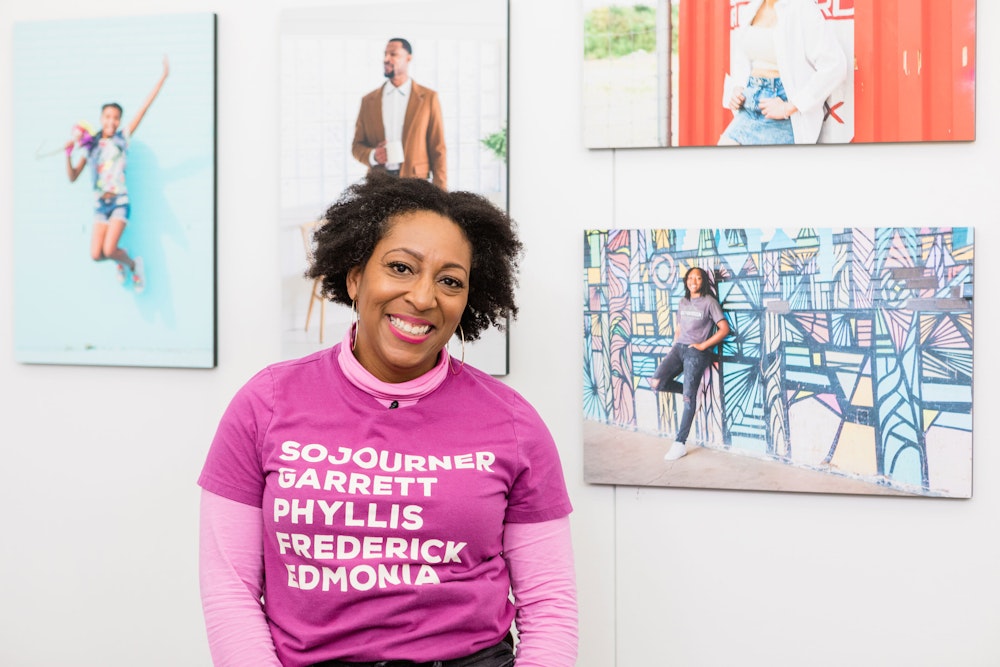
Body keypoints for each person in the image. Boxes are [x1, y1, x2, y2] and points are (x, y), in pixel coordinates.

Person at [198, 171, 576, 667]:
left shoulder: (512, 422)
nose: (423, 298)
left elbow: (550, 606)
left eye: (449, 281)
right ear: (355, 277)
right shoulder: (265, 403)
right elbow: (231, 591)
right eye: (401, 267)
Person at [65, 56, 169, 292]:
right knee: (96, 255)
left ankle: (132, 264)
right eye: (107, 116)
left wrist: (162, 77)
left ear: (119, 120)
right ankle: (121, 261)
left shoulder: (122, 139)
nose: (111, 121)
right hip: (100, 206)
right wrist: (68, 154)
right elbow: (72, 177)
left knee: (110, 249)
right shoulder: (90, 146)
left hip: (120, 202)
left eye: (115, 117)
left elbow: (143, 109)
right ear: (101, 118)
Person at [718, 0, 846, 145]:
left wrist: (790, 106)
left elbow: (834, 65)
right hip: (748, 106)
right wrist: (737, 87)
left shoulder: (801, 7)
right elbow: (743, 58)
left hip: (781, 114)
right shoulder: (751, 8)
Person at [648, 267, 731, 461]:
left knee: (687, 399)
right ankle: (693, 394)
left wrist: (703, 345)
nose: (694, 281)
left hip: (697, 352)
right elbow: (679, 328)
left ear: (703, 281)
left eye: (698, 278)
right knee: (656, 382)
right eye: (690, 278)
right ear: (686, 281)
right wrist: (673, 348)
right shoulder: (683, 302)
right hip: (679, 349)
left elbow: (724, 329)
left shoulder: (710, 303)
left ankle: (680, 443)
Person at [351, 38, 448, 190]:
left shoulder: (428, 98)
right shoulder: (368, 101)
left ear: (408, 58)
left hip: (416, 184)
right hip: (378, 184)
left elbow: (438, 148)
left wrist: (442, 192)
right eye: (385, 54)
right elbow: (356, 146)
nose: (386, 59)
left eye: (393, 54)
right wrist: (374, 155)